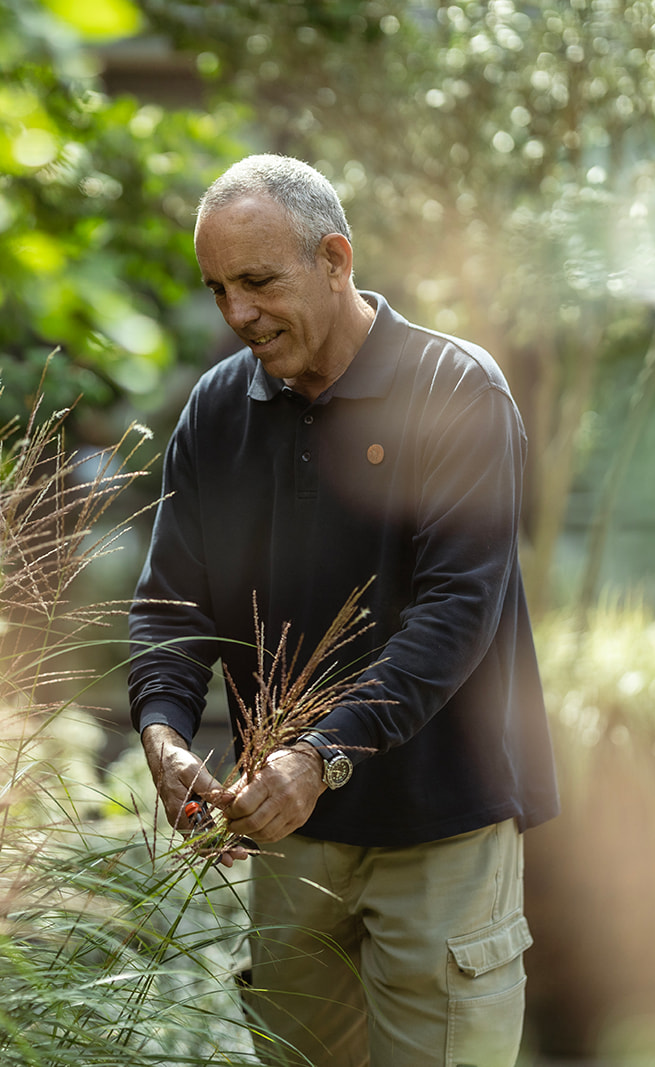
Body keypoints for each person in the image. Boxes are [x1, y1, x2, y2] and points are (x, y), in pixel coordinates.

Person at [127, 154, 559, 1067]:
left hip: (442, 827)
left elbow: (455, 614)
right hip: (294, 836)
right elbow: (171, 604)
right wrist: (163, 731)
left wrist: (323, 756)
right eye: (217, 290)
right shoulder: (216, 412)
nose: (237, 314)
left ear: (335, 257)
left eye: (257, 281)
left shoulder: (456, 391)